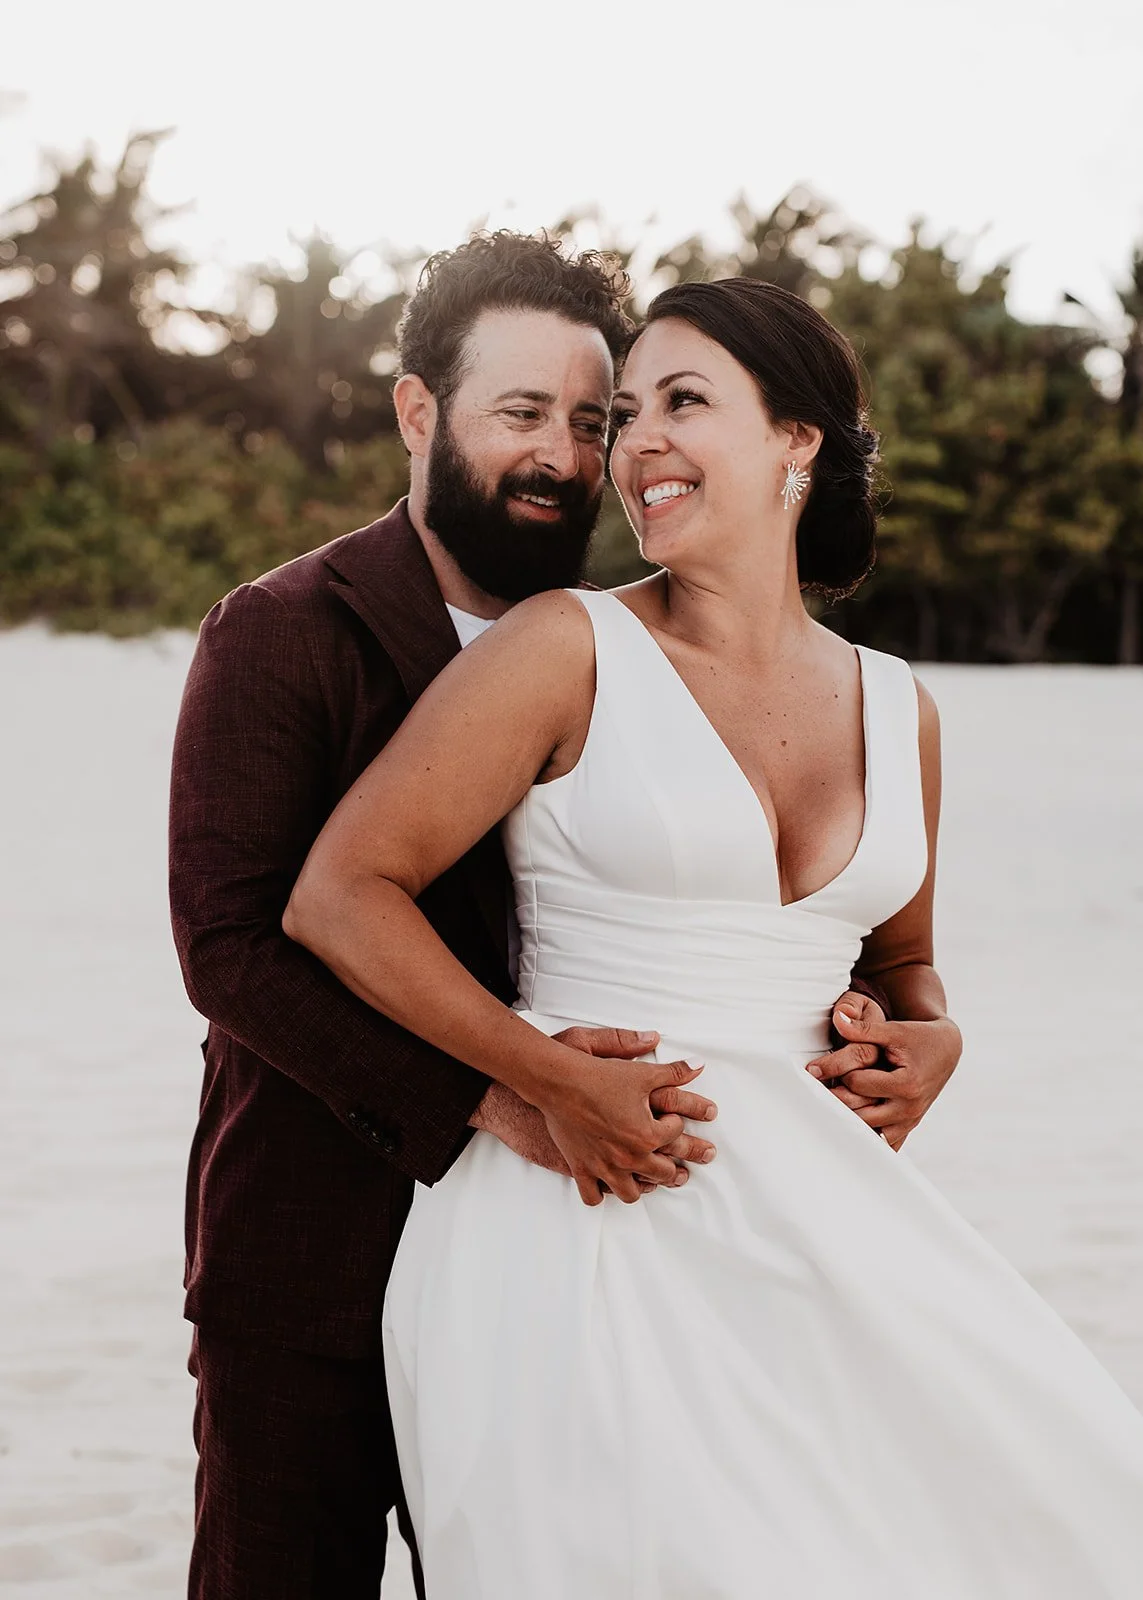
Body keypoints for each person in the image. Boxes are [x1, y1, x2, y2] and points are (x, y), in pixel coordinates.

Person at [286, 276, 1143, 1596]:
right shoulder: (561, 646)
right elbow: (340, 896)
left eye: (682, 403)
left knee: (1050, 1512)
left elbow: (899, 965)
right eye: (625, 414)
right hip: (583, 1228)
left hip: (823, 1233)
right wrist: (542, 1075)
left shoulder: (897, 705)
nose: (634, 446)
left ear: (797, 439)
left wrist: (934, 1039)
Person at [167, 236, 935, 1599]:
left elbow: (853, 939)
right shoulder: (284, 629)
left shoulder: (614, 638)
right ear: (421, 413)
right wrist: (505, 1095)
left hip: (623, 1237)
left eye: (595, 422)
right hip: (322, 1234)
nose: (569, 458)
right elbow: (232, 949)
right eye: (523, 415)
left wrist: (920, 1033)